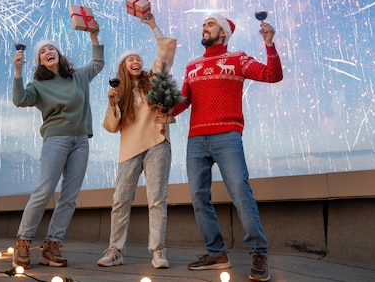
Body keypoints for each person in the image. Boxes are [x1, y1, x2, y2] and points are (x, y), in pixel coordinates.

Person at [171, 14, 283, 282]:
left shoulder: (238, 59)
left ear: (224, 32)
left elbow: (272, 75)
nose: (204, 27)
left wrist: (269, 44)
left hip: (228, 135)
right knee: (199, 197)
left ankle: (258, 252)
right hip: (196, 139)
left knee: (240, 192)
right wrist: (162, 106)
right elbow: (183, 101)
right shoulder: (192, 66)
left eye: (210, 24)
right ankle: (216, 252)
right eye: (203, 24)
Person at [10, 24, 104, 269]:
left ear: (59, 55)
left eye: (52, 49)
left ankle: (52, 246)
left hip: (81, 140)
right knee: (43, 191)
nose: (48, 52)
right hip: (56, 139)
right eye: (43, 52)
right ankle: (23, 242)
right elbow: (20, 100)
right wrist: (18, 72)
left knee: (70, 197)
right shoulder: (39, 86)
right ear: (40, 62)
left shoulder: (78, 77)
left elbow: (97, 63)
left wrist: (93, 34)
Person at [97, 14, 177, 269]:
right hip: (129, 150)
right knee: (120, 200)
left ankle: (158, 251)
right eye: (130, 58)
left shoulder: (152, 80)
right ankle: (115, 250)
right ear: (122, 66)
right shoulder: (118, 93)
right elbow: (111, 126)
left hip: (157, 144)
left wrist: (153, 24)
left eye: (139, 59)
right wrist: (112, 103)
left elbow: (164, 51)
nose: (136, 60)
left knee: (157, 199)